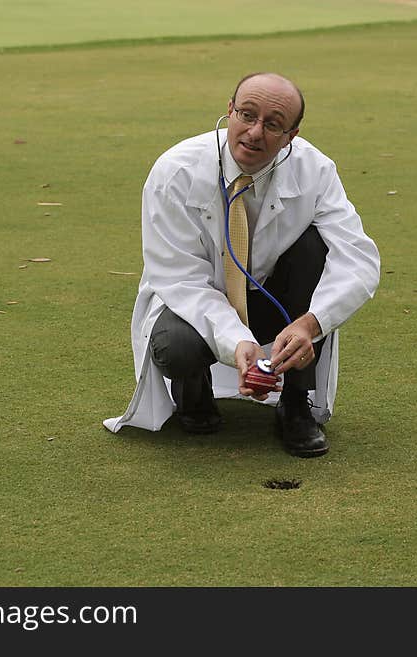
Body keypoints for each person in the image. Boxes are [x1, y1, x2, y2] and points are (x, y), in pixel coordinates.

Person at [104, 72, 380, 458]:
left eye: (273, 124)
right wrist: (237, 341)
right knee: (176, 345)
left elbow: (358, 258)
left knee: (316, 248)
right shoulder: (175, 172)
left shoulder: (316, 170)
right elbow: (179, 280)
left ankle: (296, 404)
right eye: (246, 115)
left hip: (275, 301)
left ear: (292, 136)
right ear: (228, 111)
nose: (254, 132)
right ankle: (193, 392)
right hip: (193, 305)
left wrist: (309, 324)